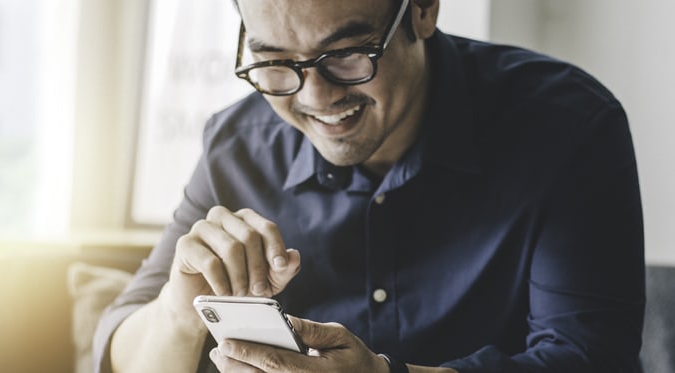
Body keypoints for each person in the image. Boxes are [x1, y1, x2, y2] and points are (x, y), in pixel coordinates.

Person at [94, 0, 645, 371]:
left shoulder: (567, 125)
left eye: (346, 55)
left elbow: (591, 359)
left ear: (423, 9)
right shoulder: (237, 146)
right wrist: (178, 312)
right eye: (275, 62)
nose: (315, 98)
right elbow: (116, 351)